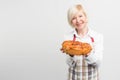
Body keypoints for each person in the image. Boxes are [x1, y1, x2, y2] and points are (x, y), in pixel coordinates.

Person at [60, 4, 104, 80]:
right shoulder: (68, 38)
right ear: (71, 21)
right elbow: (70, 64)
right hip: (73, 77)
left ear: (86, 17)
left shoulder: (97, 36)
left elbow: (98, 63)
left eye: (80, 16)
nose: (78, 20)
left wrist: (87, 53)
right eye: (74, 18)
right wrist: (70, 54)